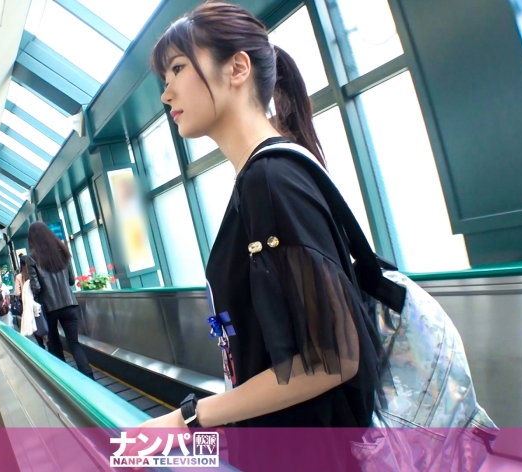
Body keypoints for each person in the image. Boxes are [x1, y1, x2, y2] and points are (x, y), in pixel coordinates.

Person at [137, 3, 388, 465]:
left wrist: (187, 418)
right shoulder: (268, 175)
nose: (166, 93)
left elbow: (332, 356)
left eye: (177, 69)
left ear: (237, 68)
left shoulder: (270, 181)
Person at [27, 221, 93, 379]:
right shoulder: (62, 252)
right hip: (69, 304)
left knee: (54, 344)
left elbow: (36, 288)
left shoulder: (32, 259)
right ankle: (89, 377)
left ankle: (64, 379)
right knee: (74, 344)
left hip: (49, 308)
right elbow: (71, 281)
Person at [16, 254, 45, 349]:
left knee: (34, 322)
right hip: (38, 300)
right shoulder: (35, 270)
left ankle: (41, 345)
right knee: (42, 320)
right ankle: (48, 339)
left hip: (28, 304)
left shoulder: (19, 276)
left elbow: (16, 292)